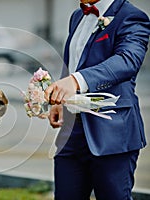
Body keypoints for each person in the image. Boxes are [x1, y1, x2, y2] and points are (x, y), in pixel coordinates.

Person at [44, 0, 150, 199]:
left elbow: (127, 60)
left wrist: (76, 81)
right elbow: (73, 63)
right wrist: (60, 99)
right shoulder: (77, 16)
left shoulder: (131, 16)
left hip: (112, 132)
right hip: (71, 133)